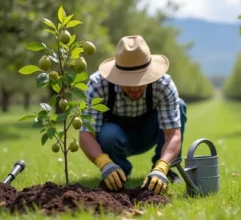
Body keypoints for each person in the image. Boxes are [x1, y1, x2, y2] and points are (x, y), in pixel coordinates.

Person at [79, 35, 187, 195]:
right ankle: (118, 173)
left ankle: (162, 172)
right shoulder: (98, 85)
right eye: (128, 81)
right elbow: (86, 134)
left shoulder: (163, 85)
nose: (135, 87)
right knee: (109, 134)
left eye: (140, 80)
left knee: (180, 105)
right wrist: (104, 163)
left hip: (149, 133)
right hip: (115, 138)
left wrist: (162, 165)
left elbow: (172, 134)